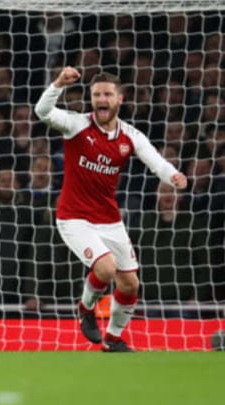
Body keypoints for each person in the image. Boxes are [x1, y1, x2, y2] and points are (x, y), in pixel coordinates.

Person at [34, 67, 187, 352]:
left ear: (119, 99)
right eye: (96, 94)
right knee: (105, 269)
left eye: (107, 94)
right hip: (74, 217)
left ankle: (113, 339)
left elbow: (156, 161)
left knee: (130, 284)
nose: (101, 99)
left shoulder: (130, 136)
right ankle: (84, 308)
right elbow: (42, 112)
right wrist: (57, 84)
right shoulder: (76, 124)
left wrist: (173, 176)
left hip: (109, 218)